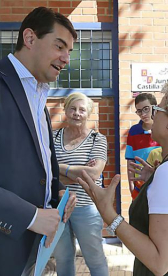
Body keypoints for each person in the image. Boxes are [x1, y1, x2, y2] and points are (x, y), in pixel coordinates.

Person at [78, 83, 168, 275]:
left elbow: (159, 262)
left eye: (157, 110)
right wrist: (156, 180)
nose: (152, 116)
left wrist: (108, 213)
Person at [0, 7, 77, 276]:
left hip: (30, 255)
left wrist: (54, 196)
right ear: (30, 38)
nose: (66, 58)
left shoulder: (40, 101)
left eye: (69, 51)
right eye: (60, 46)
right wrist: (32, 217)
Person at [53, 92, 109, 276]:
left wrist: (58, 167)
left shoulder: (97, 139)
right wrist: (79, 171)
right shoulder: (52, 138)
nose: (77, 113)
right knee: (63, 258)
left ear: (88, 113)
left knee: (94, 258)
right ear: (66, 110)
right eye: (73, 108)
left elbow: (93, 174)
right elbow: (45, 172)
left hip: (86, 207)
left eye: (82, 110)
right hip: (58, 207)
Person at [126, 93, 160, 199]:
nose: (143, 114)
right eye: (139, 111)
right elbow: (130, 161)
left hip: (160, 183)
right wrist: (131, 186)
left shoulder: (164, 129)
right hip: (140, 187)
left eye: (146, 109)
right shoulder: (133, 131)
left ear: (154, 107)